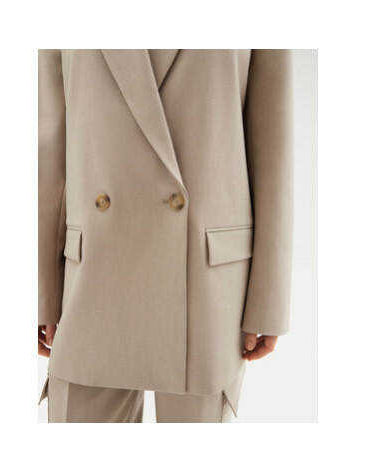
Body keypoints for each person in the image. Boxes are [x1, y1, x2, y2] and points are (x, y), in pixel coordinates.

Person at [38, 49, 294, 423]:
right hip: (91, 278)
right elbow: (49, 142)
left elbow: (274, 149)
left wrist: (268, 299)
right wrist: (40, 289)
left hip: (205, 284)